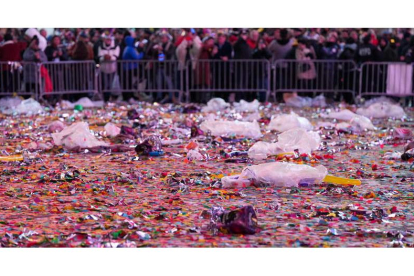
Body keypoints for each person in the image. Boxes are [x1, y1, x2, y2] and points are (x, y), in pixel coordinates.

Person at [121, 36, 145, 100]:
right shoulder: (129, 49)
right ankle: (128, 96)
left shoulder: (129, 48)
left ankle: (131, 95)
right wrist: (142, 53)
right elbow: (137, 57)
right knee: (128, 83)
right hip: (129, 68)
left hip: (129, 67)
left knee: (129, 82)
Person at [98, 34, 120, 101]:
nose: (108, 41)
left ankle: (109, 97)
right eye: (106, 39)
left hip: (112, 69)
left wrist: (110, 57)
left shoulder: (116, 47)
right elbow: (99, 57)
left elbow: (116, 57)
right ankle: (105, 98)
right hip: (103, 69)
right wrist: (104, 57)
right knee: (104, 84)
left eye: (109, 40)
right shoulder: (101, 47)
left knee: (110, 84)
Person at [233, 29, 252, 101]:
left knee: (244, 83)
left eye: (245, 34)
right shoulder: (239, 43)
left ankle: (242, 98)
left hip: (246, 66)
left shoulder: (246, 44)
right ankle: (238, 98)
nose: (244, 36)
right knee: (239, 83)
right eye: (243, 34)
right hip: (239, 66)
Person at [194, 36, 215, 103]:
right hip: (202, 69)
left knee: (206, 84)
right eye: (210, 41)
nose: (212, 43)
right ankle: (201, 99)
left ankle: (205, 98)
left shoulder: (209, 48)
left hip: (206, 69)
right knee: (202, 84)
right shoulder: (204, 47)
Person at [212, 33, 232, 99]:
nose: (220, 39)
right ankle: (217, 96)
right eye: (219, 38)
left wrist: (226, 57)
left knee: (225, 82)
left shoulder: (228, 45)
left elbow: (230, 55)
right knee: (217, 82)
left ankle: (226, 97)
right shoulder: (215, 45)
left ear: (225, 38)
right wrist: (217, 55)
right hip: (217, 67)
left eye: (222, 37)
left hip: (225, 67)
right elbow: (213, 55)